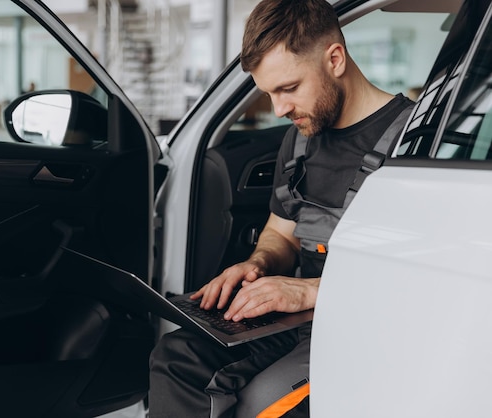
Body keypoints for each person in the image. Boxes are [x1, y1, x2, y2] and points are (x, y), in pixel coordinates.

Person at [148, 0, 415, 417]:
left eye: (288, 88)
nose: (278, 109)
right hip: (295, 321)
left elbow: (418, 281)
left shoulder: (414, 144)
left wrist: (307, 290)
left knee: (265, 401)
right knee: (176, 356)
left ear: (335, 58)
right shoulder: (301, 138)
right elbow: (280, 232)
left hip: (363, 328)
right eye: (269, 93)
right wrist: (258, 263)